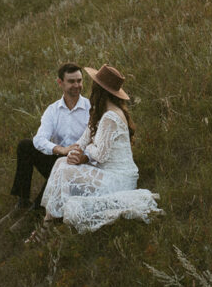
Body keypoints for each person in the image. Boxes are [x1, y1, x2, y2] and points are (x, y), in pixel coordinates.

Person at [27, 64, 161, 242]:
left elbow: (100, 155)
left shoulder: (111, 116)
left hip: (119, 176)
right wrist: (75, 152)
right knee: (62, 163)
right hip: (105, 171)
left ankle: (47, 226)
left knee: (66, 170)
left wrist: (85, 152)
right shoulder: (100, 112)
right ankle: (49, 221)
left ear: (98, 89)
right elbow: (83, 140)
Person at [7, 62, 91, 215]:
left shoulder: (90, 108)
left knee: (60, 167)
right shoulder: (53, 110)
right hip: (60, 157)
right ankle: (23, 200)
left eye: (79, 81)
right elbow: (39, 139)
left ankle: (36, 212)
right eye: (71, 81)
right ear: (60, 83)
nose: (77, 85)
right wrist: (60, 149)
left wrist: (77, 154)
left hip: (80, 162)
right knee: (26, 145)